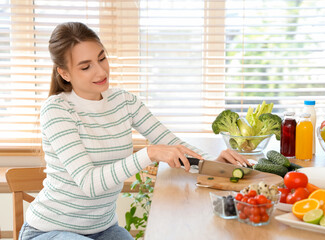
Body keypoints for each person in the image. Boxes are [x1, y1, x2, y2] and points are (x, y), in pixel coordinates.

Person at [19, 22, 250, 240]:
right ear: (65, 73)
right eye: (86, 66)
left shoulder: (124, 102)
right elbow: (90, 184)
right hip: (49, 231)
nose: (100, 72)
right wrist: (148, 154)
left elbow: (169, 141)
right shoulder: (57, 110)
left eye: (102, 59)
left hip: (103, 229)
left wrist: (212, 162)